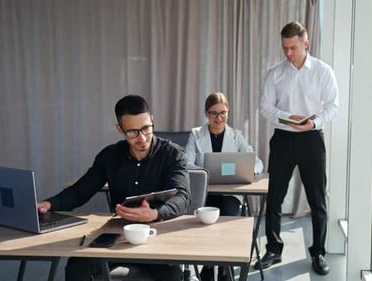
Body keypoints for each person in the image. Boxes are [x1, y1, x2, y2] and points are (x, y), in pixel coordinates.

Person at [37, 95, 191, 281]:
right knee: (77, 267)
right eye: (132, 132)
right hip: (118, 233)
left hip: (159, 232)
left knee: (172, 275)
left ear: (152, 120)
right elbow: (80, 191)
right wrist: (50, 204)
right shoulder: (109, 156)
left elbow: (183, 197)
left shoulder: (173, 154)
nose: (142, 138)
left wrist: (155, 214)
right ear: (120, 129)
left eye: (146, 129)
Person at [258, 21, 339, 276]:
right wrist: (287, 117)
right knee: (274, 197)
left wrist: (313, 122)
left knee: (317, 200)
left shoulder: (323, 72)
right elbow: (266, 107)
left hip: (312, 139)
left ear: (306, 43)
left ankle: (318, 253)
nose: (288, 53)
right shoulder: (275, 73)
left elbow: (333, 106)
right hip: (282, 138)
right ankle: (273, 249)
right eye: (284, 48)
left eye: (293, 47)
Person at [185, 91, 263, 281]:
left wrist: (246, 169)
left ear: (228, 113)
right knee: (207, 217)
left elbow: (257, 163)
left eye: (223, 113)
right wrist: (206, 172)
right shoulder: (196, 135)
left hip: (230, 194)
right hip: (205, 192)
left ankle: (224, 266)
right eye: (214, 113)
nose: (219, 118)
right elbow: (185, 163)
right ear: (206, 114)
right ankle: (209, 264)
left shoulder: (237, 136)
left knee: (228, 213)